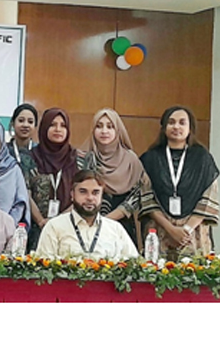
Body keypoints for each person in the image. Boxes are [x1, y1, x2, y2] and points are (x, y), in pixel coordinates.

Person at [139, 105, 220, 260]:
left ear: (190, 128)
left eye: (182, 122)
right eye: (171, 122)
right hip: (160, 231)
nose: (176, 126)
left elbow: (209, 197)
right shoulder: (150, 159)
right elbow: (146, 198)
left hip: (193, 234)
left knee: (193, 273)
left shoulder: (203, 158)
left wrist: (186, 230)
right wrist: (171, 229)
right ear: (164, 127)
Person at [77, 108, 148, 247]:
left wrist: (106, 220)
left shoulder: (131, 160)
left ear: (118, 130)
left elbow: (138, 194)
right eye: (99, 126)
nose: (104, 131)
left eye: (110, 127)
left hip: (122, 225)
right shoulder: (83, 158)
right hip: (87, 224)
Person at [35, 170, 139, 260]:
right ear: (72, 195)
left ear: (102, 196)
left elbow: (134, 265)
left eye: (95, 192)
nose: (90, 198)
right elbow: (43, 268)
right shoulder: (54, 226)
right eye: (83, 192)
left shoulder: (115, 229)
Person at [28, 108, 77, 233]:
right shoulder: (29, 158)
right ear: (44, 128)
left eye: (63, 125)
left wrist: (58, 221)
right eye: (52, 125)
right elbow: (25, 193)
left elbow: (83, 194)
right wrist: (40, 220)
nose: (58, 129)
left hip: (70, 227)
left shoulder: (78, 159)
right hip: (37, 228)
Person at [5, 103, 39, 182]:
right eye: (21, 120)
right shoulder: (4, 151)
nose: (25, 125)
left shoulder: (40, 152)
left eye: (30, 122)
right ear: (13, 123)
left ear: (35, 126)